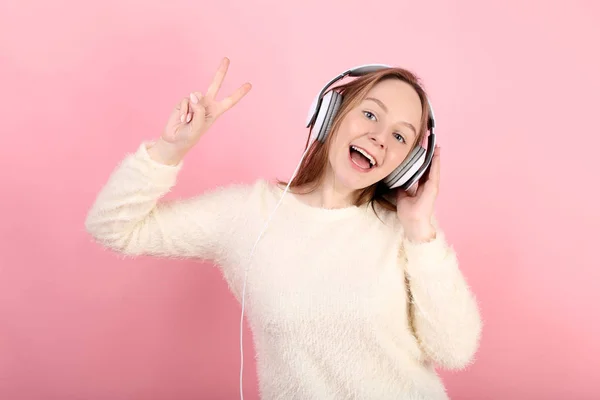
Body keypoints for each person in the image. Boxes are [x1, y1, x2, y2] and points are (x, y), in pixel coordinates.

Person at [85, 57, 482, 400]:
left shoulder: (406, 234)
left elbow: (455, 350)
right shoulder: (250, 215)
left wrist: (420, 230)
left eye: (399, 135)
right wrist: (171, 149)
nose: (379, 137)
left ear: (407, 162)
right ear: (331, 113)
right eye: (370, 113)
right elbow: (113, 228)